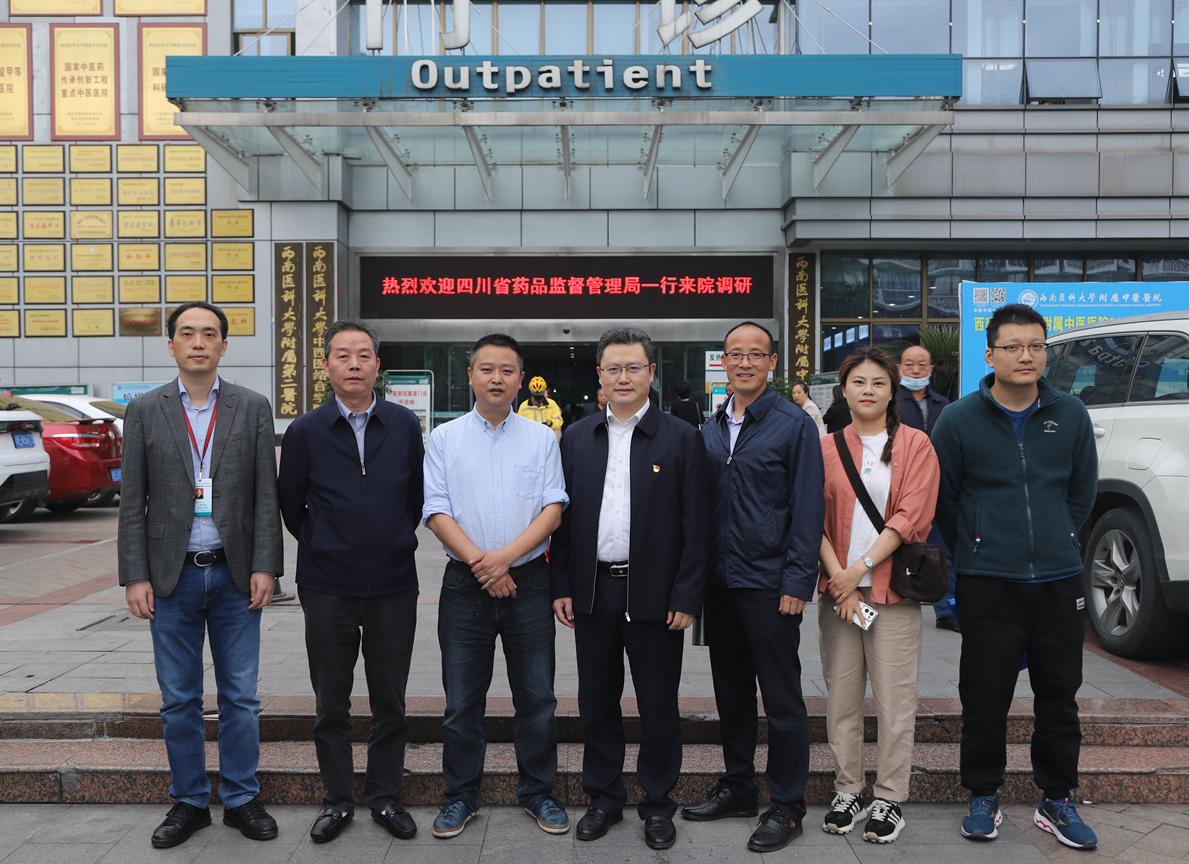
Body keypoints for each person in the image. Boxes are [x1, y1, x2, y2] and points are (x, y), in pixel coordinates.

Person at [932, 304, 1099, 851]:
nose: (1026, 356)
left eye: (1035, 346)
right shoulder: (958, 419)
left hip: (1058, 579)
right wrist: (976, 545)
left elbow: (1082, 491)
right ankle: (983, 794)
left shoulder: (1070, 413)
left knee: (1059, 695)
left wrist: (1060, 537)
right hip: (988, 580)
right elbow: (946, 500)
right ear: (991, 355)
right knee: (985, 696)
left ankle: (1057, 798)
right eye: (1013, 347)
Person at [118, 301, 282, 849]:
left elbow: (265, 495)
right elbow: (132, 502)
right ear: (170, 345)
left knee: (241, 697)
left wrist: (266, 565)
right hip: (171, 577)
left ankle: (240, 798)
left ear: (223, 346)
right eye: (187, 333)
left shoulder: (251, 406)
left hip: (235, 575)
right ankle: (189, 801)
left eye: (209, 334)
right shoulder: (146, 409)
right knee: (178, 699)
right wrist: (134, 574)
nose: (198, 342)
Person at [550, 327, 711, 851]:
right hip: (594, 591)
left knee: (658, 706)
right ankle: (603, 798)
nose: (623, 377)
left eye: (633, 367)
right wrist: (562, 584)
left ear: (651, 373)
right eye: (613, 368)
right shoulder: (577, 437)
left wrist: (686, 596)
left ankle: (658, 804)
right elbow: (561, 521)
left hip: (656, 597)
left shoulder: (681, 438)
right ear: (599, 375)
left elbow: (697, 525)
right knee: (597, 702)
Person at [277, 320, 424, 845]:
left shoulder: (404, 425)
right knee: (330, 701)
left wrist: (389, 538)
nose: (354, 364)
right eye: (343, 355)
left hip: (393, 583)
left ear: (378, 365)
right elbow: (292, 505)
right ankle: (337, 800)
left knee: (390, 699)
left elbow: (415, 498)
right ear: (327, 366)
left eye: (364, 355)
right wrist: (326, 542)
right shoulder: (305, 431)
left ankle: (385, 796)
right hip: (327, 585)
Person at [682, 322, 824, 854]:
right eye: (735, 354)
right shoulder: (711, 426)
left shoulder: (793, 425)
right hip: (721, 585)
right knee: (732, 693)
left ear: (772, 362)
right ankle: (739, 786)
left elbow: (809, 508)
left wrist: (798, 580)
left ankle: (787, 805)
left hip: (770, 584)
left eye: (755, 354)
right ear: (723, 361)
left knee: (782, 700)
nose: (744, 363)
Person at [423, 333, 570, 838]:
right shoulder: (444, 438)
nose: (496, 378)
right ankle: (461, 795)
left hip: (528, 581)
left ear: (522, 378)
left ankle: (539, 792)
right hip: (465, 585)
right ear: (470, 376)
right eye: (487, 369)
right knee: (462, 701)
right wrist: (482, 565)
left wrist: (503, 560)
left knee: (537, 698)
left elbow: (553, 508)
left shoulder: (541, 439)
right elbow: (435, 510)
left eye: (507, 370)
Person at [817, 347, 939, 844]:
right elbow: (811, 520)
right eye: (858, 382)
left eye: (878, 383)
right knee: (842, 700)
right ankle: (848, 788)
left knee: (895, 700)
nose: (868, 390)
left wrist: (859, 570)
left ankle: (889, 797)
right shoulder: (824, 447)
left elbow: (911, 516)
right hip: (839, 594)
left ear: (892, 392)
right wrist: (840, 581)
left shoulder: (915, 444)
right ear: (843, 390)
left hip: (893, 594)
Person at [896, 345, 958, 632]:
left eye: (922, 364)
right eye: (909, 364)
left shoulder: (944, 405)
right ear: (900, 368)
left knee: (941, 551)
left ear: (931, 369)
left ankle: (948, 609)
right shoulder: (891, 403)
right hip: (901, 490)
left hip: (938, 489)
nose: (916, 370)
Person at [518, 375, 564, 439]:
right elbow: (519, 424)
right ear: (531, 393)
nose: (538, 400)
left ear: (544, 392)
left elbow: (559, 420)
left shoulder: (552, 404)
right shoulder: (524, 406)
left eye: (540, 397)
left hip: (547, 438)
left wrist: (550, 423)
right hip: (531, 439)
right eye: (536, 397)